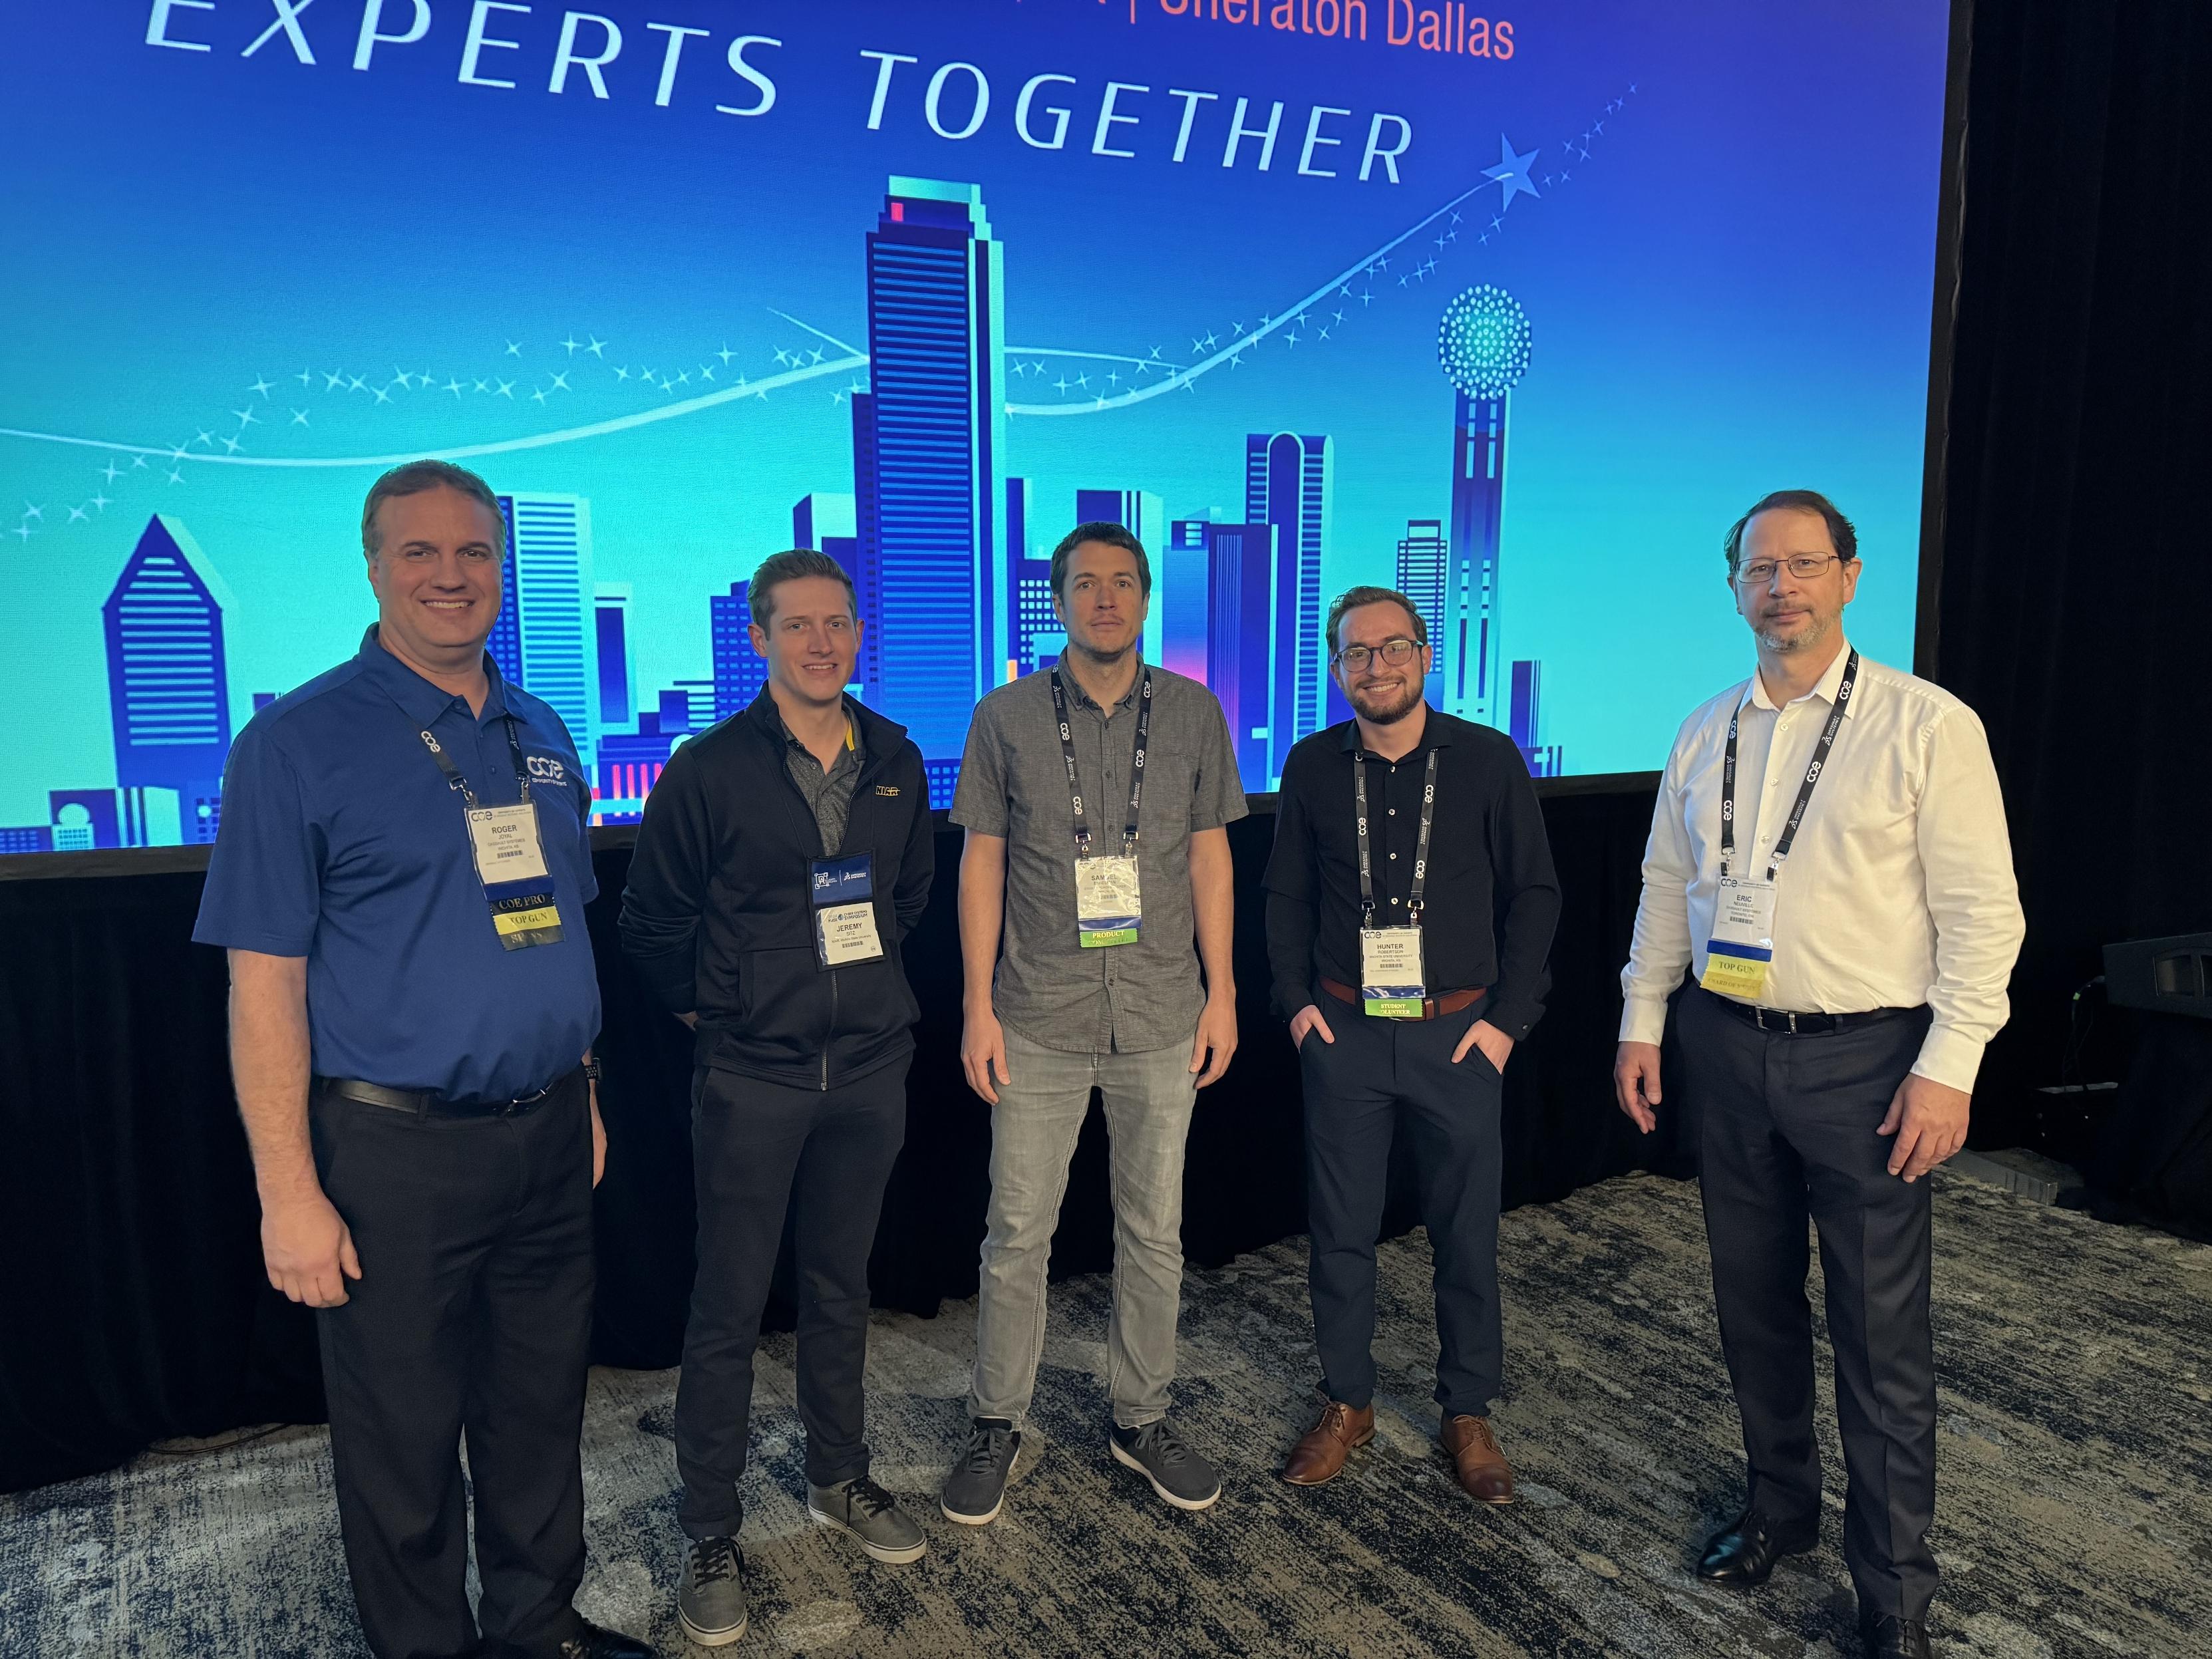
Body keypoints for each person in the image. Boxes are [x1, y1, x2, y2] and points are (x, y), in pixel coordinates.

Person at [191, 461, 655, 1659]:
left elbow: (557, 925)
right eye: (420, 552)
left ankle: (536, 1625)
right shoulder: (296, 742)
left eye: (474, 553)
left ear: (499, 566)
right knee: (400, 1435)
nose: (451, 575)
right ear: (374, 564)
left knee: (539, 1407)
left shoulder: (541, 726)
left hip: (551, 1131)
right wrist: (288, 1189)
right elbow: (263, 984)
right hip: (393, 1150)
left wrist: (587, 1089)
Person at [1614, 490, 2024, 1659]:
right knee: (1750, 1305)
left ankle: (1893, 1592)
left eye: (1803, 564)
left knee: (1878, 1334)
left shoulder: (1926, 725)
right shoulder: (1704, 731)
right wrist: (1642, 1020)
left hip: (1868, 1063)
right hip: (1724, 1049)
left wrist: (1948, 1070)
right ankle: (1778, 1507)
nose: (1779, 585)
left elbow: (1983, 918)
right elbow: (1662, 885)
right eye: (1758, 567)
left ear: (1849, 577)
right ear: (1734, 586)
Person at [619, 549, 936, 1648]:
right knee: (729, 1305)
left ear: (858, 635)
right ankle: (709, 1525)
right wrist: (726, 1013)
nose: (820, 643)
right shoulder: (707, 769)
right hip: (753, 1079)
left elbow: (905, 899)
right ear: (757, 639)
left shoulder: (895, 758)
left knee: (840, 1287)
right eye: (796, 625)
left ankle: (837, 1479)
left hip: (869, 1072)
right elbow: (650, 923)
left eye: (837, 623)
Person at [938, 521, 1247, 1525]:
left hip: (1161, 1011)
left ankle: (1141, 1414)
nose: (1103, 599)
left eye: (1121, 583)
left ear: (1145, 598)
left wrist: (1224, 990)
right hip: (1036, 1012)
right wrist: (976, 1004)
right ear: (1057, 601)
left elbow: (1209, 859)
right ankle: (996, 1421)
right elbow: (980, 862)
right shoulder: (1005, 716)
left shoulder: (1195, 712)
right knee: (1016, 1231)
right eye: (1084, 584)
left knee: (1154, 1231)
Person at [1262, 586, 1561, 1501]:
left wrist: (1506, 1024)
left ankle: (1465, 1408)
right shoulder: (1312, 765)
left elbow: (1534, 896)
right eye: (1356, 652)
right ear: (1336, 665)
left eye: (1393, 647)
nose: (1376, 666)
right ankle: (1347, 1400)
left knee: (1463, 1232)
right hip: (1344, 1032)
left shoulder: (1483, 757)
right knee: (1340, 1231)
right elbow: (1285, 897)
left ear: (1424, 656)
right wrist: (1294, 1008)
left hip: (1457, 1036)